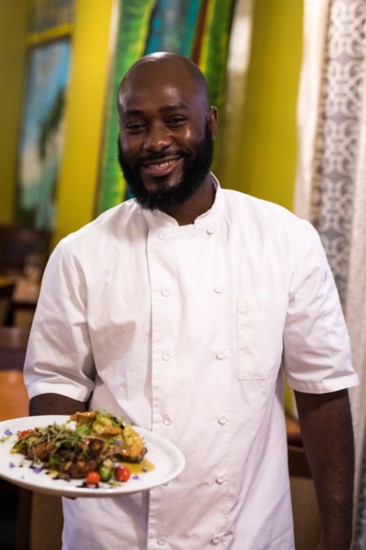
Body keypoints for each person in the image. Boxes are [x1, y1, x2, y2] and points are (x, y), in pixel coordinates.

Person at [24, 52, 359, 550]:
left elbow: (323, 391)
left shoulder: (285, 240)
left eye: (175, 120)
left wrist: (339, 539)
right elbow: (55, 385)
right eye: (136, 125)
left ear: (210, 121)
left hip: (245, 533)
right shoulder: (80, 255)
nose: (156, 142)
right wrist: (83, 459)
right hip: (116, 532)